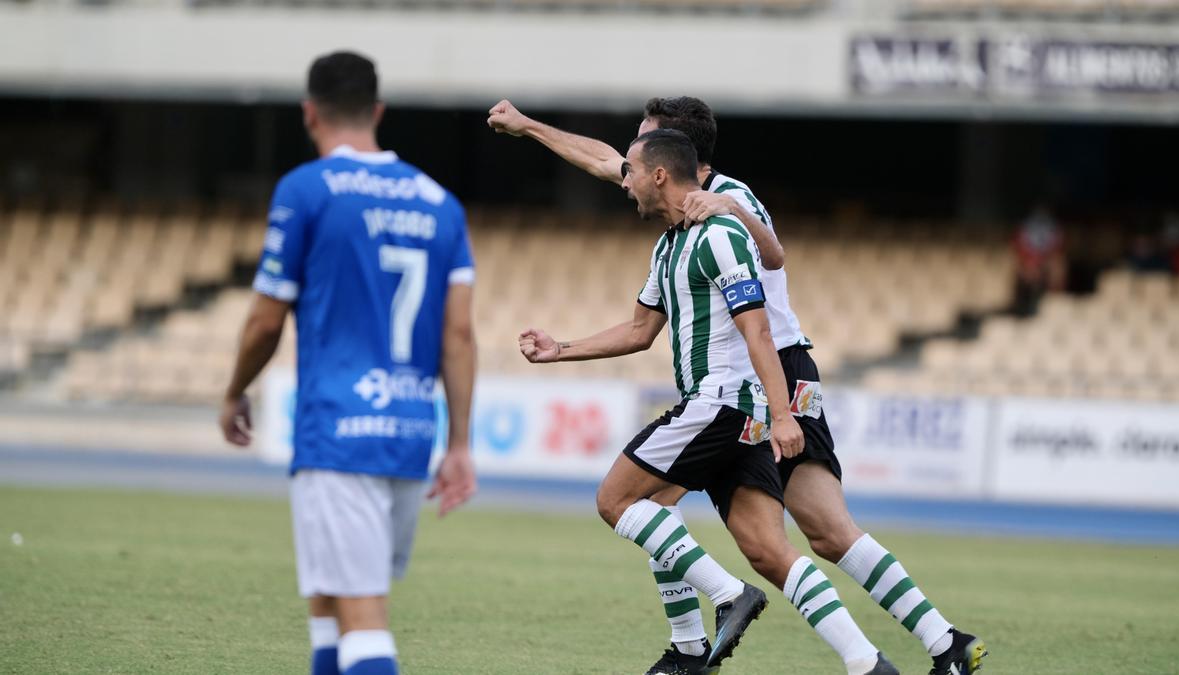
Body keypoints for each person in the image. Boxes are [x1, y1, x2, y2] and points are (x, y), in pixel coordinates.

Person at [494, 97, 987, 675]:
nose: (626, 161)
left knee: (780, 524)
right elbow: (607, 168)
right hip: (751, 377)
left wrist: (730, 206)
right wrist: (528, 127)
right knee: (795, 538)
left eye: (642, 142)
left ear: (674, 156)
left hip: (773, 369)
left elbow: (774, 256)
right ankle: (931, 644)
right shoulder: (672, 230)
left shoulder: (730, 199)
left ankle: (693, 644)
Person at [219, 51, 477, 675]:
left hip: (337, 430)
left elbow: (263, 320)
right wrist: (459, 442)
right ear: (378, 111)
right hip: (410, 433)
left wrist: (233, 391)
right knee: (330, 601)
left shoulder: (307, 189)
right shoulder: (439, 203)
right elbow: (460, 333)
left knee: (363, 617)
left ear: (309, 113)